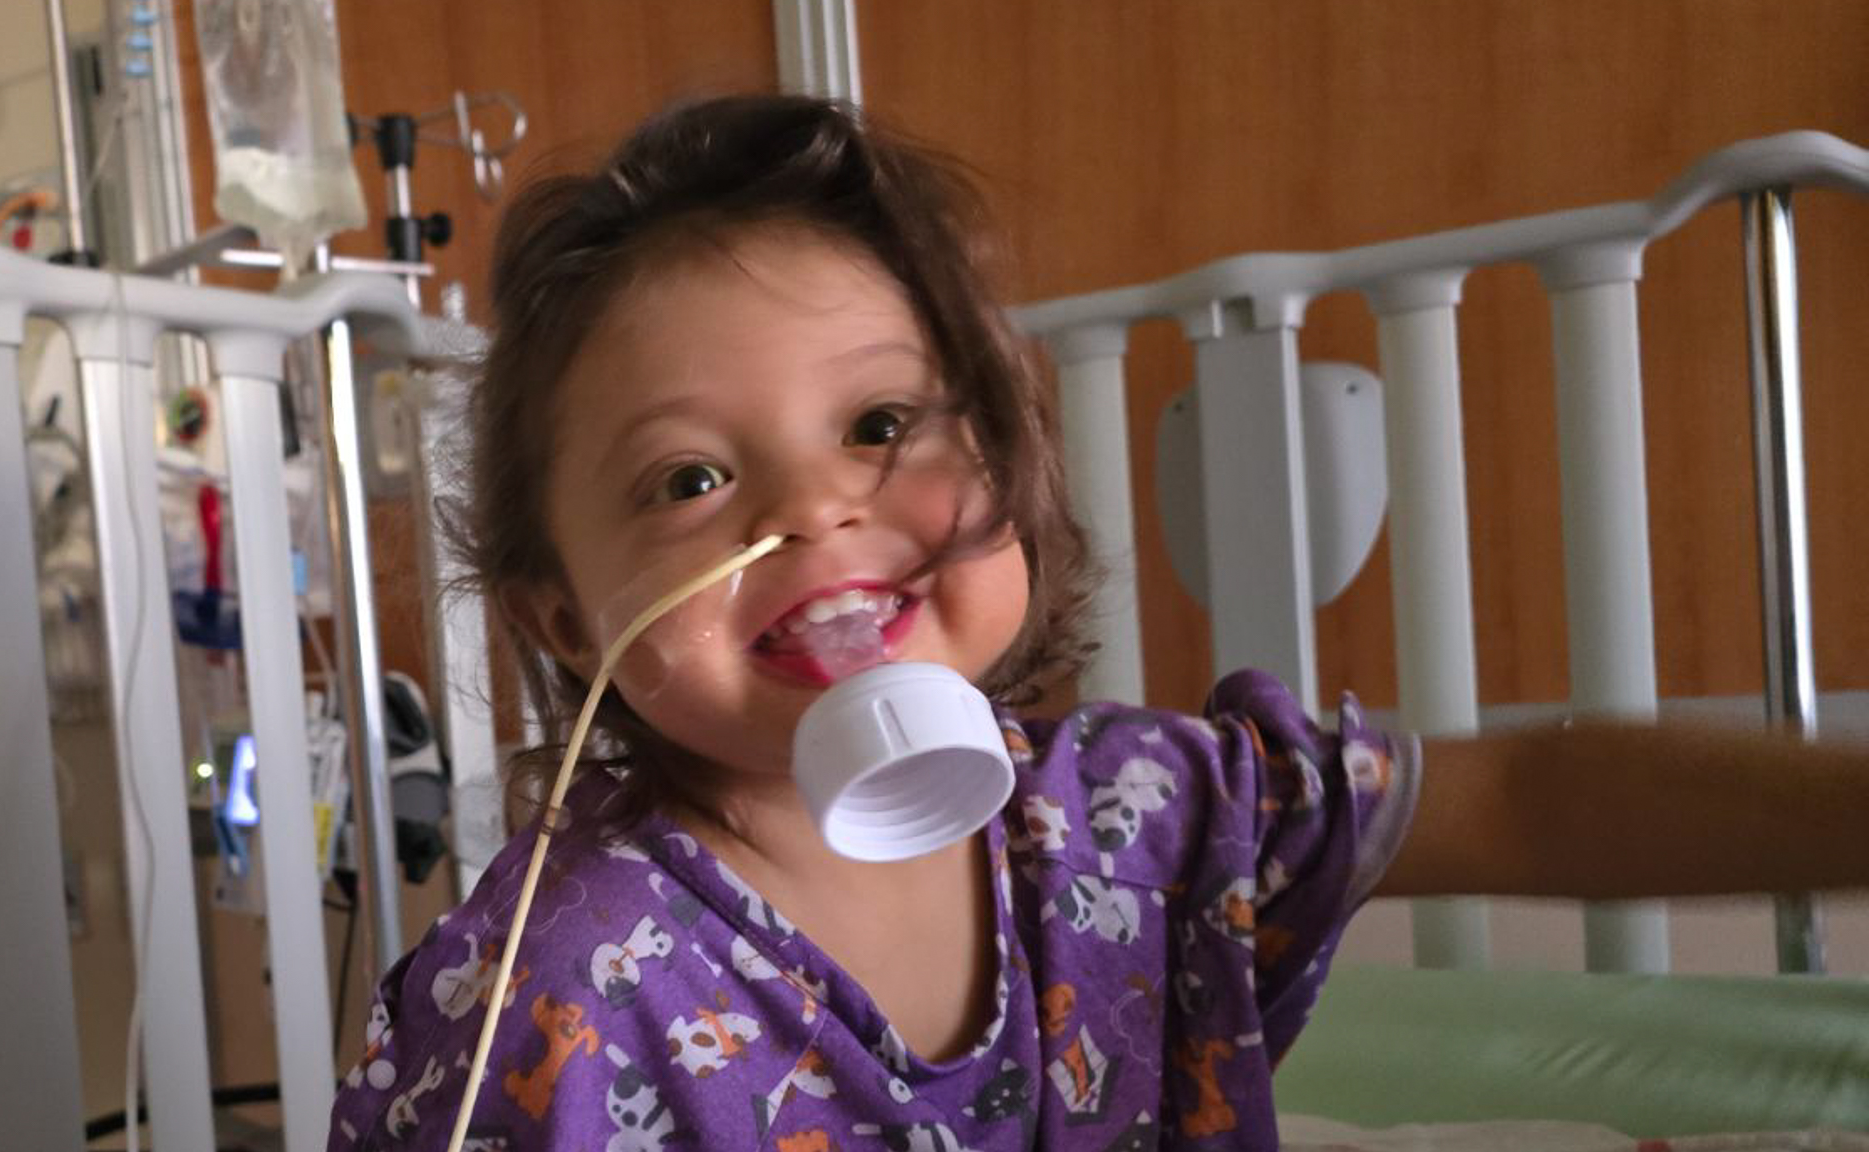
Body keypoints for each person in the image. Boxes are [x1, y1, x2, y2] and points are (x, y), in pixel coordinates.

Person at [326, 94, 1868, 1152]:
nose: (815, 510)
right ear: (567, 621)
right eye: (690, 478)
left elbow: (1528, 801)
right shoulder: (569, 988)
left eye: (880, 423)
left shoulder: (1127, 816)